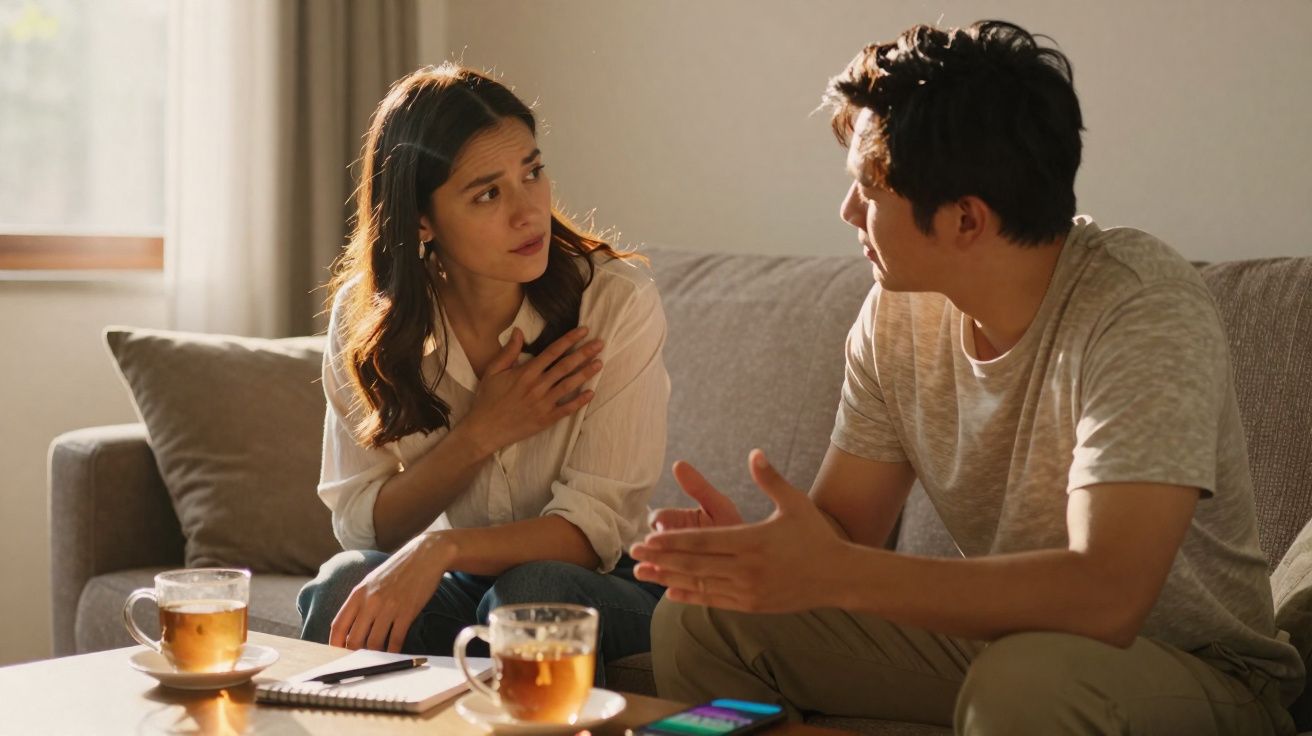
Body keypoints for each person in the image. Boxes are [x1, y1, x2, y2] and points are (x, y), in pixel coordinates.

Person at [631, 20, 1303, 735]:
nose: (847, 211)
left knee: (1027, 682)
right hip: (1004, 647)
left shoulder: (1141, 307)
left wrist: (835, 572)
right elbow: (844, 530)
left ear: (965, 220)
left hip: (1190, 670)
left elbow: (1106, 597)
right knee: (702, 619)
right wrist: (761, 555)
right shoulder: (897, 314)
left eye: (868, 190)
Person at [297, 63, 668, 677]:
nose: (529, 212)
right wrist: (480, 433)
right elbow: (364, 525)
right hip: (468, 582)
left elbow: (592, 531)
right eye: (488, 194)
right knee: (344, 581)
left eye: (532, 173)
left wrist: (441, 548)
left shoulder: (614, 302)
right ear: (421, 220)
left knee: (531, 594)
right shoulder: (367, 319)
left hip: (606, 584)